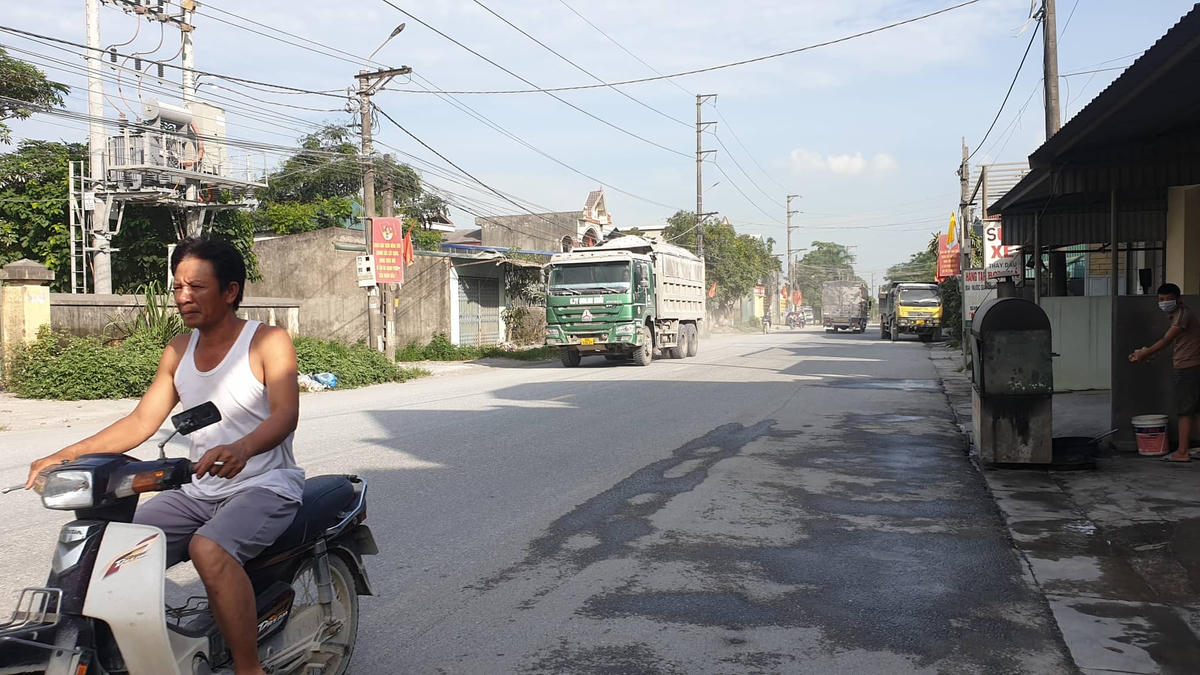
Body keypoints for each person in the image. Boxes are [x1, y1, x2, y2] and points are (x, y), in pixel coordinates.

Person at [25, 237, 303, 675]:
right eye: (177, 287)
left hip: (264, 485)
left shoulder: (267, 341)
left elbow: (286, 415)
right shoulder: (178, 351)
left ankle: (249, 668)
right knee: (106, 552)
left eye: (196, 286)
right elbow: (140, 423)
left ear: (230, 291)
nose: (183, 297)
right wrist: (63, 455)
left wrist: (243, 447)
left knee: (208, 549)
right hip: (198, 489)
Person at [1129, 283, 1200, 463]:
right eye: (1161, 300)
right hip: (1191, 365)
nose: (1165, 302)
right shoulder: (1176, 314)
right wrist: (1147, 353)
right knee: (1194, 409)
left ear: (1178, 298)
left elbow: (1167, 340)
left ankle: (1182, 451)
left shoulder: (1183, 315)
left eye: (1169, 299)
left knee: (1185, 410)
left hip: (1187, 367)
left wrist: (1146, 353)